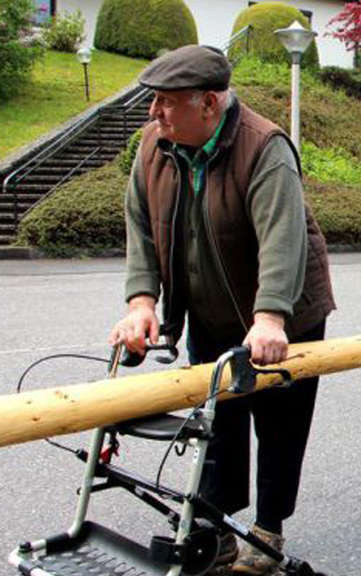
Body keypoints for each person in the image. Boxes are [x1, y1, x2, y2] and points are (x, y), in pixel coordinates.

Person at [107, 45, 336, 575]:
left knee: (279, 426)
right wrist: (142, 302)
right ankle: (218, 527)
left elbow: (283, 238)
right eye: (154, 100)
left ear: (209, 103)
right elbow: (140, 223)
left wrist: (271, 317)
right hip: (209, 308)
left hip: (285, 313)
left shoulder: (264, 147)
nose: (154, 112)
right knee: (217, 421)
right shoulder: (155, 144)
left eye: (167, 101)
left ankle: (267, 529)